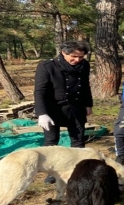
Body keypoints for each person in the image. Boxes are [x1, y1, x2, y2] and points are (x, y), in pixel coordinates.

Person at [34, 41, 93, 184]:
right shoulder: (47, 66)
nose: (77, 60)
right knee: (51, 141)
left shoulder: (84, 65)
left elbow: (85, 85)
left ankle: (78, 170)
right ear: (63, 53)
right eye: (74, 56)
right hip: (53, 109)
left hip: (76, 108)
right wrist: (42, 113)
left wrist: (88, 104)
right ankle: (52, 172)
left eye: (81, 57)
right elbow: (40, 91)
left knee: (78, 140)